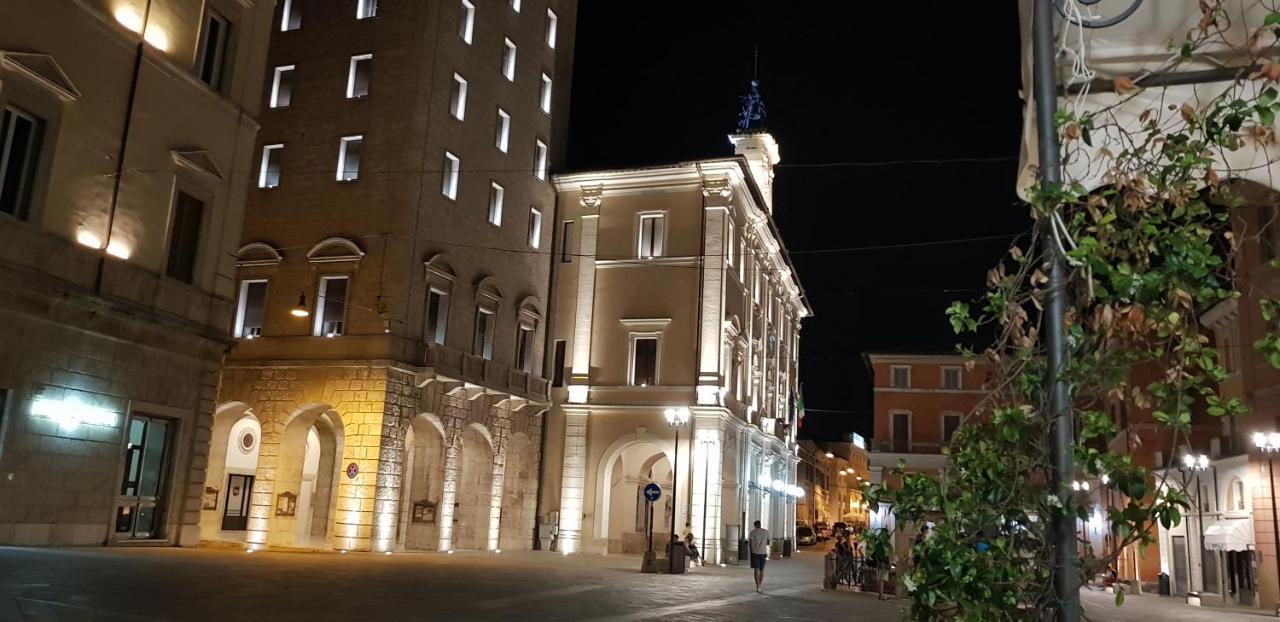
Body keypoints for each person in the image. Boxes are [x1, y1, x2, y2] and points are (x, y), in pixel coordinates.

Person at [748, 520, 770, 593]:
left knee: (756, 570)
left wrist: (752, 550)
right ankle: (760, 585)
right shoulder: (766, 532)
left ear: (755, 525)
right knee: (762, 570)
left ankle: (757, 586)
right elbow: (768, 542)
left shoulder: (752, 532)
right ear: (760, 525)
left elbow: (750, 543)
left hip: (755, 553)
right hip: (763, 553)